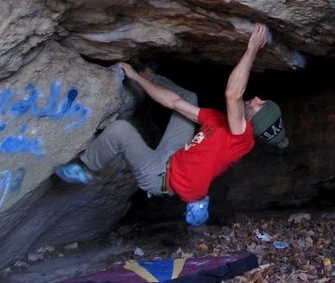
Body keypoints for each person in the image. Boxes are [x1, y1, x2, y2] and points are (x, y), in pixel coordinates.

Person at [54, 23, 288, 226]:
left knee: (120, 131)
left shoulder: (242, 137)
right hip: (176, 155)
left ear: (256, 120)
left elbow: (233, 94)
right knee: (188, 99)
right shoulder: (220, 120)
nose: (257, 99)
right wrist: (139, 79)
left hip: (159, 175)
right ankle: (153, 76)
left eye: (261, 105)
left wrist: (252, 49)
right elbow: (173, 102)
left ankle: (86, 168)